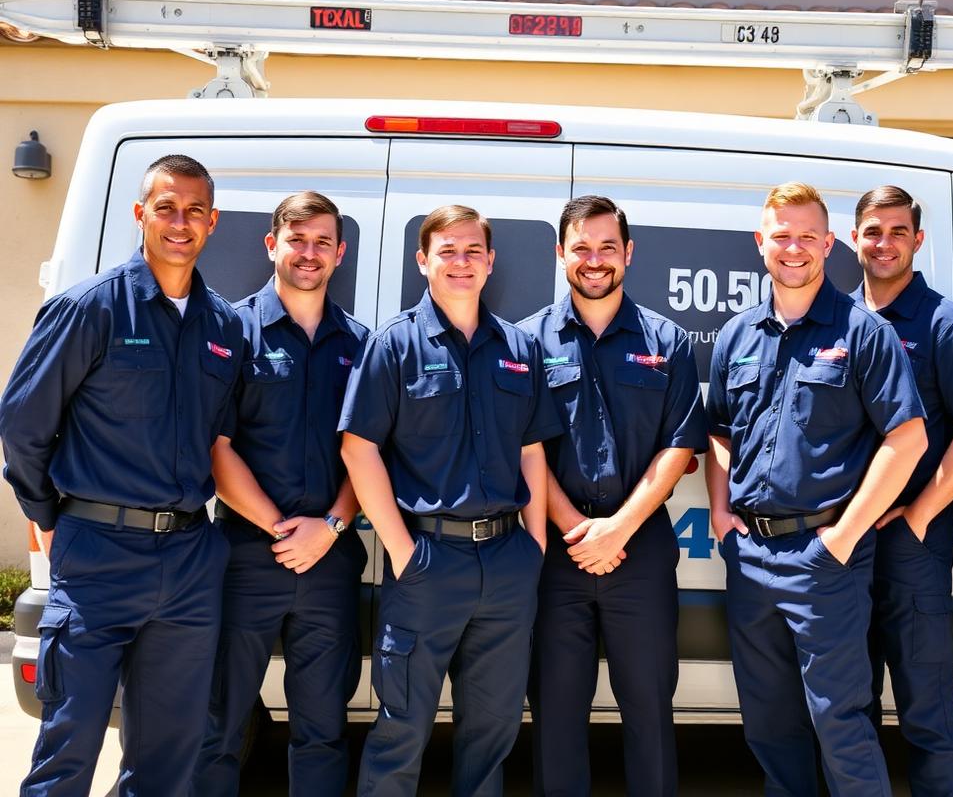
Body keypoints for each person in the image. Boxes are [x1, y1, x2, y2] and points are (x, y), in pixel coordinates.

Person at [0, 155, 243, 796]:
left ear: (213, 221)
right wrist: (50, 518)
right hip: (98, 557)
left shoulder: (225, 328)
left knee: (168, 759)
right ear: (141, 214)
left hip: (190, 559)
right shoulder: (89, 309)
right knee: (68, 751)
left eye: (195, 210)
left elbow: (221, 442)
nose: (180, 223)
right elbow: (23, 428)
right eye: (166, 207)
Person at [705, 181, 927, 796]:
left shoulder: (864, 332)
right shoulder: (736, 336)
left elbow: (906, 441)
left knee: (839, 721)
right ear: (760, 243)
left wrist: (842, 538)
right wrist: (722, 516)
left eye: (807, 236)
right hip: (750, 556)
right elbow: (720, 433)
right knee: (769, 724)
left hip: (823, 559)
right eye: (782, 236)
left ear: (830, 244)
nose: (794, 249)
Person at [339, 204, 561, 796]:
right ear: (423, 261)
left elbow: (532, 451)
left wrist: (535, 544)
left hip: (508, 561)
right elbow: (359, 450)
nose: (460, 263)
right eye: (447, 251)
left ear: (489, 262)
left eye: (472, 252)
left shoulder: (519, 346)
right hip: (429, 562)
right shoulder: (394, 344)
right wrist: (404, 550)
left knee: (491, 731)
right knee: (401, 727)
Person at [518, 195, 708, 796]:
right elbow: (524, 451)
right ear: (560, 254)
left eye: (607, 247)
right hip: (554, 553)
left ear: (628, 252)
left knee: (650, 713)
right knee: (554, 714)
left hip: (640, 553)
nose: (594, 260)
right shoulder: (525, 341)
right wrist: (578, 528)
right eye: (581, 248)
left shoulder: (667, 340)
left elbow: (678, 449)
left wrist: (618, 529)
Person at [191, 192, 369, 795]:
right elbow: (216, 447)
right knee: (218, 721)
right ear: (273, 245)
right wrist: (279, 527)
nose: (309, 253)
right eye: (298, 239)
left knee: (322, 727)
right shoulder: (231, 333)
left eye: (323, 241)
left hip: (332, 562)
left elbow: (369, 457)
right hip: (245, 557)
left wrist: (331, 529)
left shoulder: (361, 345)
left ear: (340, 252)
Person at [849, 186, 953, 796]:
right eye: (873, 231)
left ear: (918, 240)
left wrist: (918, 514)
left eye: (897, 232)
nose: (884, 244)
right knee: (847, 702)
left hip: (911, 544)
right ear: (853, 238)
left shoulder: (945, 324)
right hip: (838, 539)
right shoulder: (835, 318)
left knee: (925, 702)